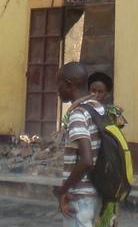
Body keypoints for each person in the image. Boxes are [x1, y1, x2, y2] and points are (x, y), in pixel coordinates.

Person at [57, 62, 106, 227]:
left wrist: (63, 190)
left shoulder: (78, 114)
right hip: (98, 193)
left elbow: (86, 160)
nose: (57, 89)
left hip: (80, 197)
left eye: (59, 84)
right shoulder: (99, 108)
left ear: (69, 84)